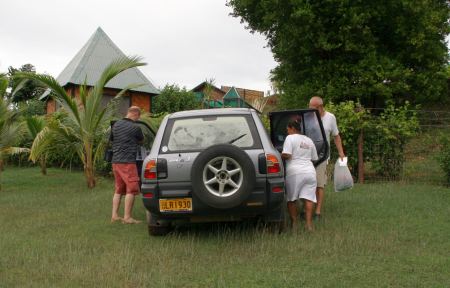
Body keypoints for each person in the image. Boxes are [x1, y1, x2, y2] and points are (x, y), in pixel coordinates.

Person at [309, 96, 345, 219]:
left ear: (320, 107)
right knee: (309, 183)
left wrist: (341, 153)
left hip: (323, 156)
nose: (310, 110)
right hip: (308, 156)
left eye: (312, 108)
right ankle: (308, 209)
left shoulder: (330, 118)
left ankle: (317, 212)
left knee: (319, 184)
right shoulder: (308, 117)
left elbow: (336, 136)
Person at [281, 119, 318, 231]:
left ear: (292, 128)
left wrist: (279, 155)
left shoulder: (290, 138)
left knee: (292, 199)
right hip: (310, 172)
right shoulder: (309, 140)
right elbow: (315, 158)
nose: (287, 132)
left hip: (295, 173)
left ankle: (295, 225)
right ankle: (309, 225)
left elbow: (287, 154)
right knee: (309, 199)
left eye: (288, 129)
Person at [110, 106, 144, 224]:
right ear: (136, 115)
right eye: (138, 117)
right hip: (127, 162)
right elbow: (141, 140)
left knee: (118, 189)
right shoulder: (135, 127)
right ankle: (127, 217)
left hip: (115, 161)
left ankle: (114, 215)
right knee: (132, 188)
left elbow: (112, 140)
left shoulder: (116, 125)